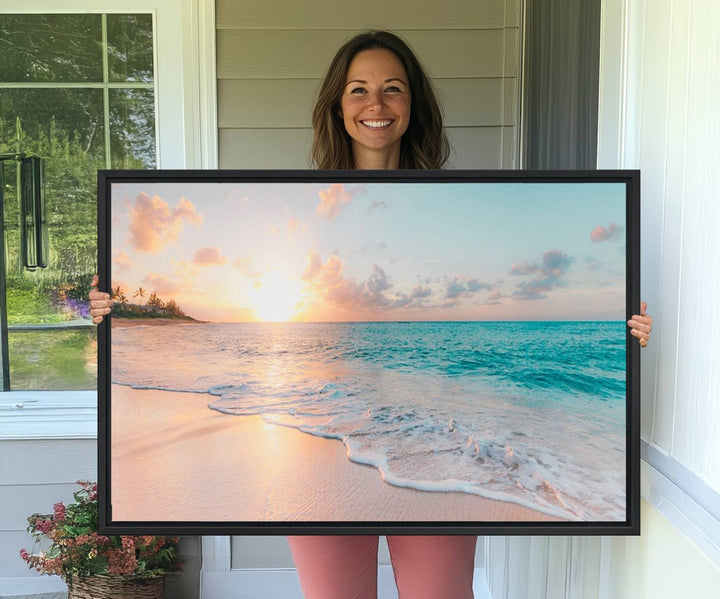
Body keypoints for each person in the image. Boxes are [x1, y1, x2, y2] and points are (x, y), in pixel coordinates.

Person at [89, 30, 653, 599]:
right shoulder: (300, 202)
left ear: (413, 105)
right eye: (358, 90)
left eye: (393, 89)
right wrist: (110, 311)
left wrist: (621, 329)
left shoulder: (453, 203)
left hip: (439, 446)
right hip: (320, 423)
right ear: (338, 105)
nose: (376, 105)